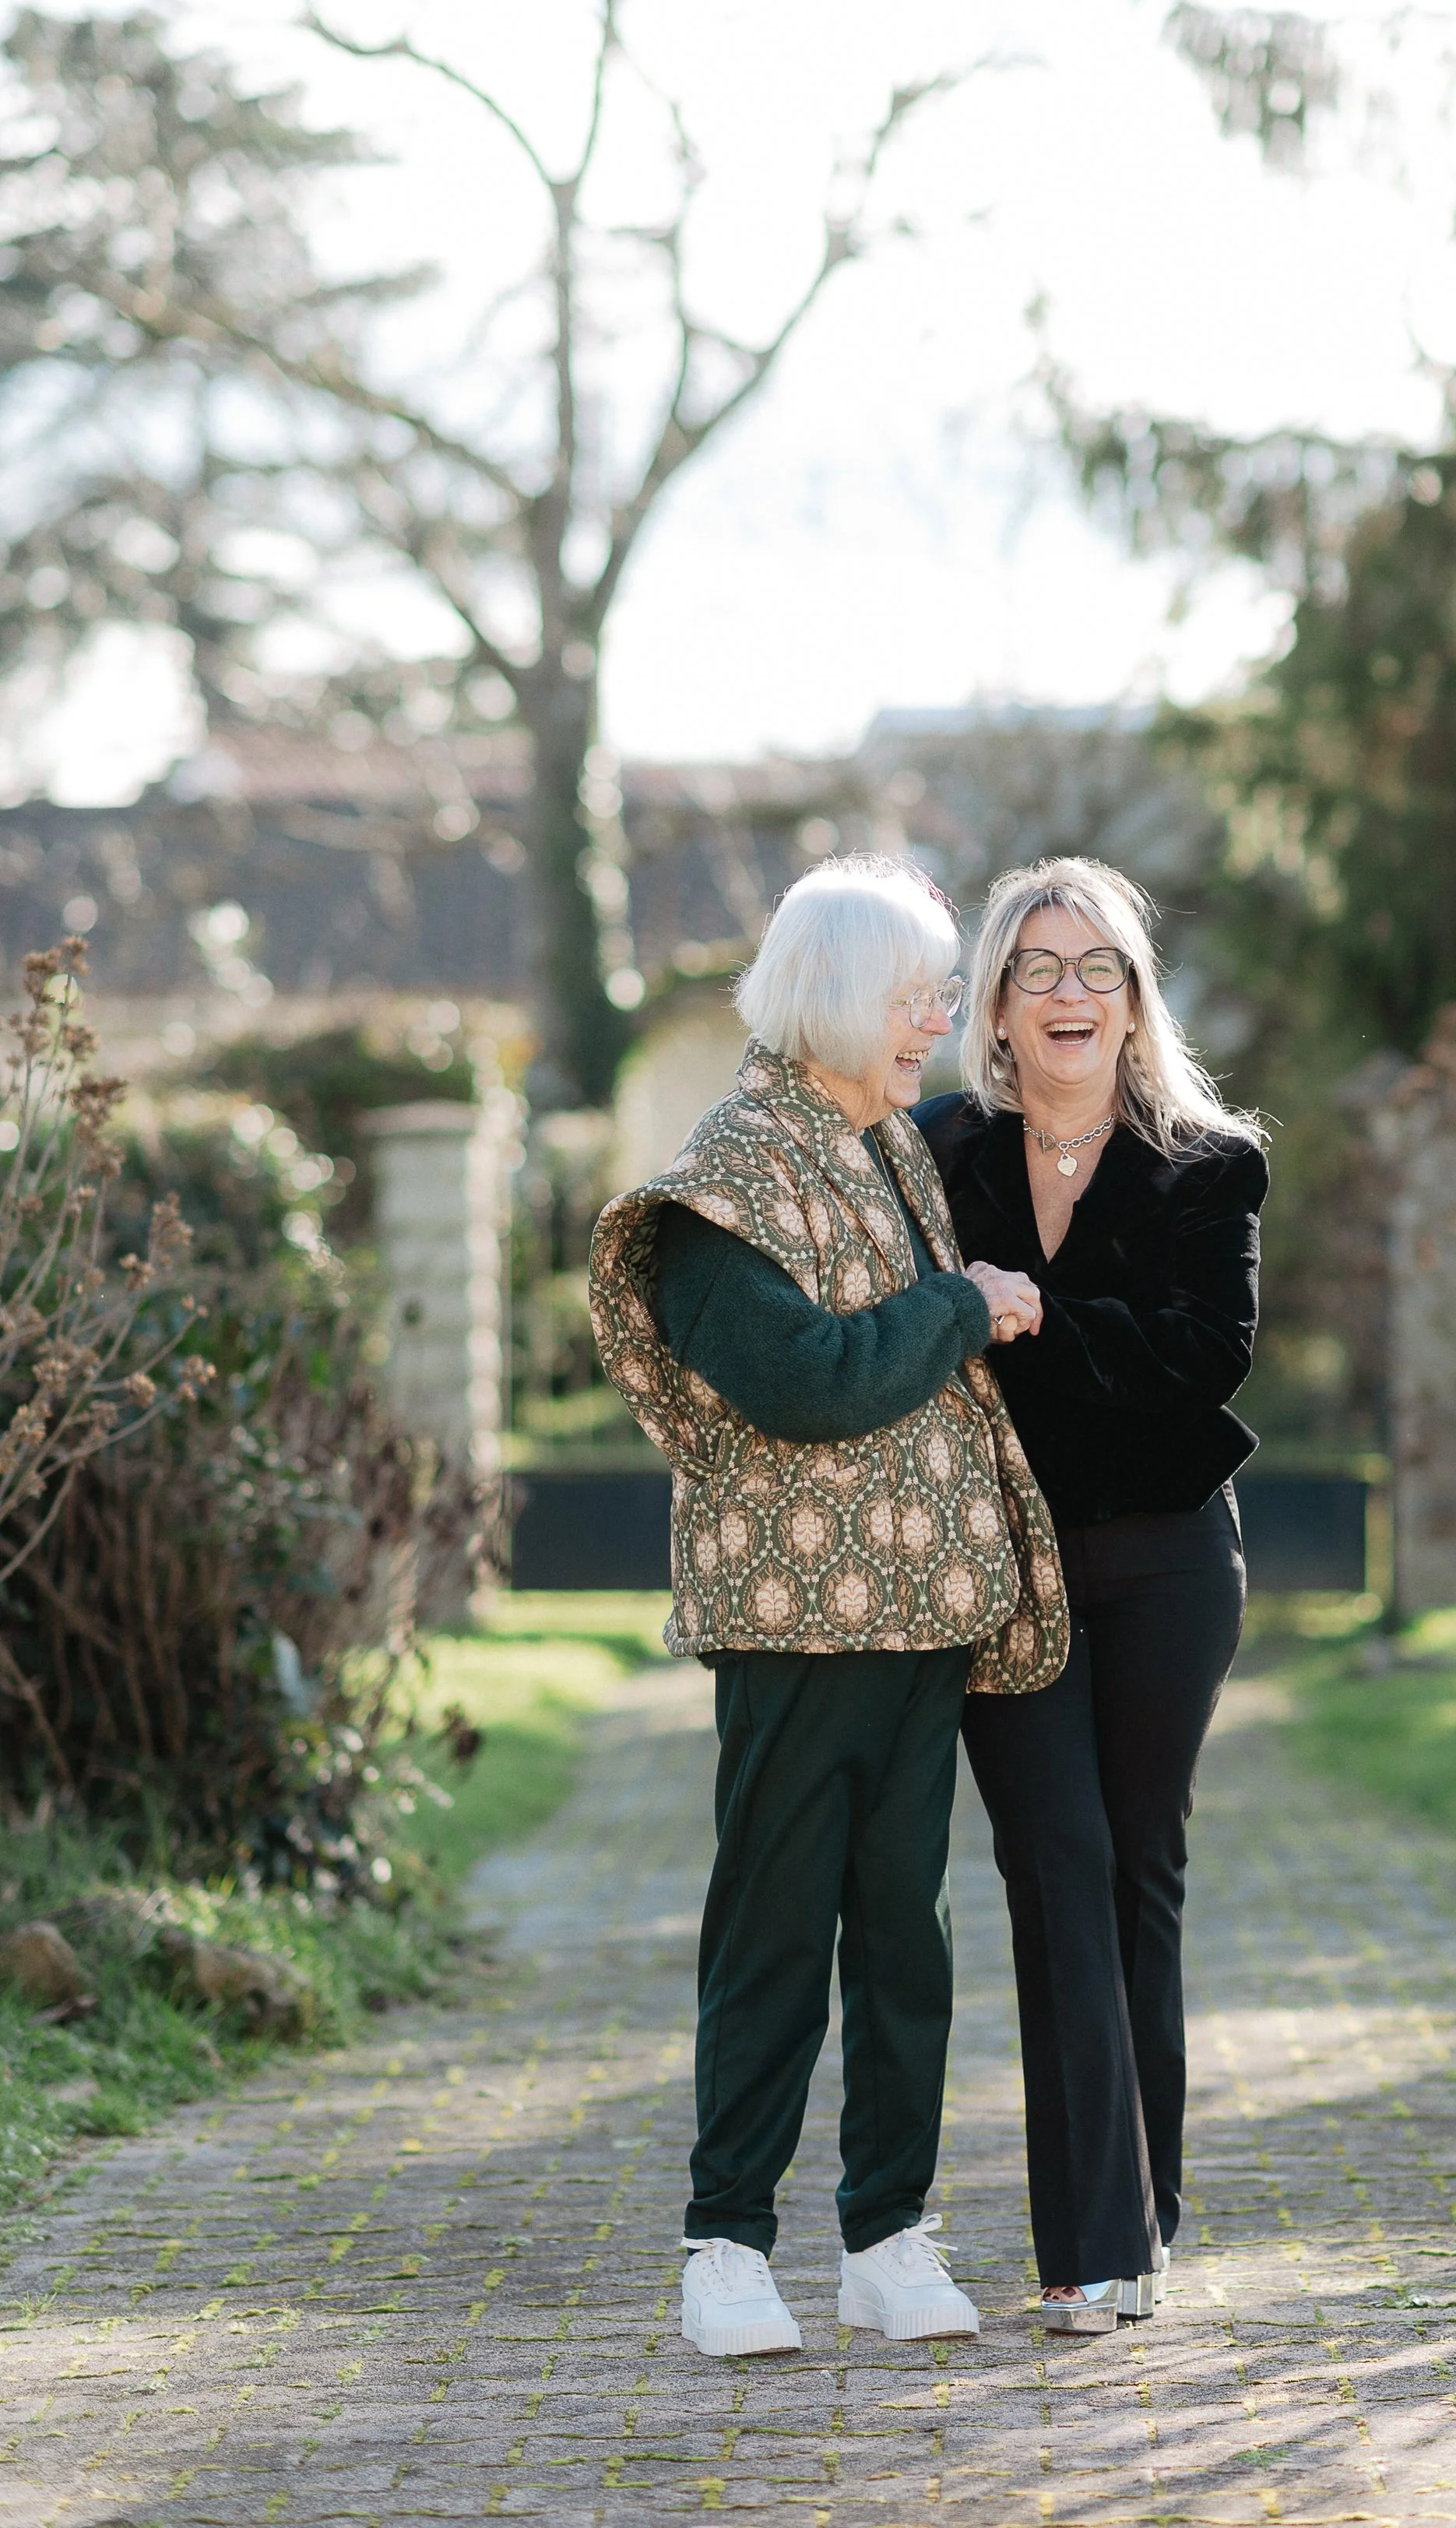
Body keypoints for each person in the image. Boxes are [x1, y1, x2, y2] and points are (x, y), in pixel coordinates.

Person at [588, 854, 1066, 2361]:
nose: (937, 1020)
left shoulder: (884, 1147)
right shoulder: (729, 1171)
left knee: (906, 1938)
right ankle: (726, 2244)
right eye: (920, 994)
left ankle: (886, 2234)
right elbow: (802, 1380)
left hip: (921, 1612)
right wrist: (964, 1301)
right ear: (847, 997)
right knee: (778, 1931)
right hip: (795, 1622)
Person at [913, 857, 1267, 2334]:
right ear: (996, 1003)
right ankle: (1093, 2242)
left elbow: (1203, 1360)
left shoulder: (1209, 1162)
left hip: (1165, 1561)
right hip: (1002, 1563)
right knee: (1053, 1864)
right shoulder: (931, 1151)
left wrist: (1027, 1315)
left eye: (1098, 967)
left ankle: (1142, 2213)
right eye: (1038, 968)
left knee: (1134, 1871)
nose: (1070, 992)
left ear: (1134, 997)